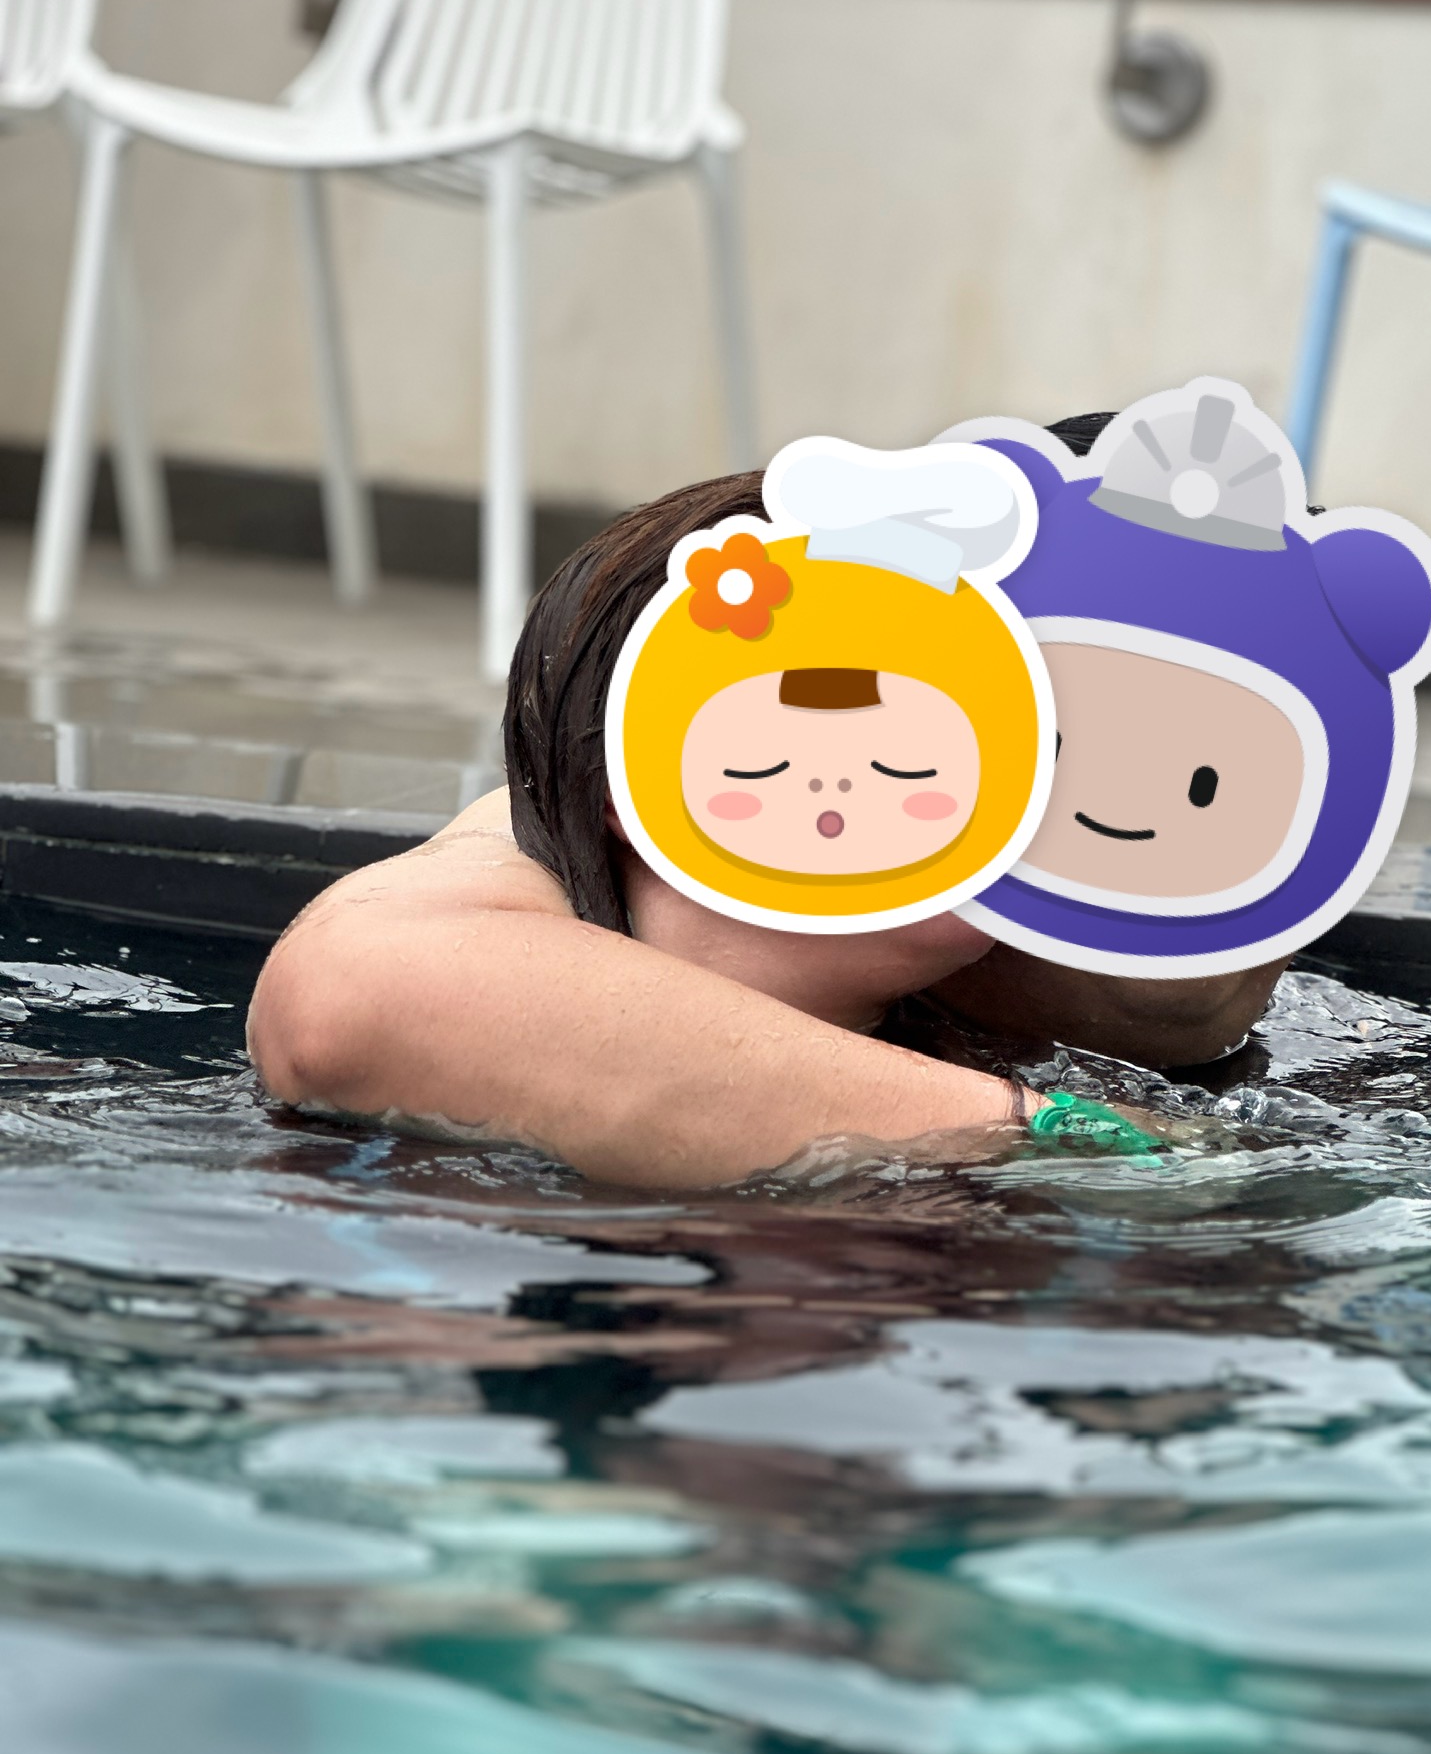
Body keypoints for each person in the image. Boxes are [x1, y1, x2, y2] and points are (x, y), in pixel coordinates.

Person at [248, 420, 1286, 1190]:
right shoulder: (556, 852)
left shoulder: (1096, 903)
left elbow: (1196, 994)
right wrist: (1051, 1136)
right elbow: (346, 997)